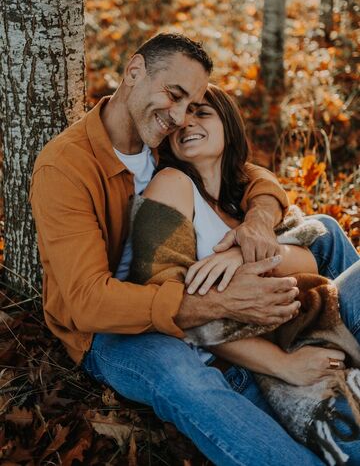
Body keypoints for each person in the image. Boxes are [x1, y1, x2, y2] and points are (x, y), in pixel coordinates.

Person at [29, 33, 347, 465]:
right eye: (174, 96)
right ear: (134, 71)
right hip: (113, 331)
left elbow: (247, 171)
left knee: (324, 231)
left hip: (192, 290)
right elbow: (88, 302)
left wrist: (256, 221)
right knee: (185, 378)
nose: (180, 118)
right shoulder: (65, 167)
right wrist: (218, 304)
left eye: (192, 104)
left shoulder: (162, 137)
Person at [120, 83, 360, 464]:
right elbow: (176, 310)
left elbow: (312, 261)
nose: (186, 123)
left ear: (228, 125)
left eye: (202, 112)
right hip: (248, 363)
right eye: (180, 118)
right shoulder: (172, 185)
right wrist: (285, 365)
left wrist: (239, 255)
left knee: (329, 232)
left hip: (303, 324)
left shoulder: (241, 195)